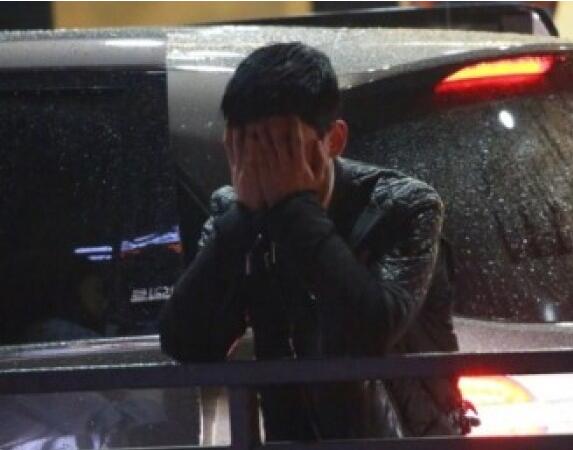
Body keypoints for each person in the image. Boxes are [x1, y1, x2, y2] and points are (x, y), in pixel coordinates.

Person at [160, 42, 473, 440]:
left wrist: (294, 208)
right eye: (252, 146)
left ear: (334, 139)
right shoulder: (234, 216)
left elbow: (370, 330)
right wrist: (242, 221)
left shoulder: (402, 206)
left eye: (284, 146)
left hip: (404, 439)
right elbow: (187, 342)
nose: (267, 164)